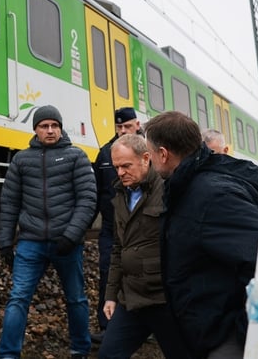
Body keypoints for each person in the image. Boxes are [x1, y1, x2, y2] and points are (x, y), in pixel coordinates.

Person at [143, 111, 258, 358]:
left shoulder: (211, 195)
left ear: (163, 154)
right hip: (210, 331)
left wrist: (249, 332)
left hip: (231, 339)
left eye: (150, 153)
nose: (150, 160)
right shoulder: (188, 187)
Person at [0, 105, 97, 359]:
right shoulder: (21, 160)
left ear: (61, 129)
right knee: (18, 297)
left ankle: (80, 349)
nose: (50, 130)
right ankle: (8, 354)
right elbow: (9, 203)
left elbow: (87, 200)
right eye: (44, 126)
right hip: (31, 242)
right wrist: (5, 243)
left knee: (75, 298)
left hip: (67, 242)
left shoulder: (77, 156)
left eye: (55, 126)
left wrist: (71, 236)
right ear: (36, 130)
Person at [97, 133, 189, 358]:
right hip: (131, 300)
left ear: (146, 158)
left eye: (126, 166)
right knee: (108, 355)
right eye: (117, 167)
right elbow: (119, 249)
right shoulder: (120, 194)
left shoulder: (169, 190)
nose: (120, 173)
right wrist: (110, 296)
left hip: (164, 301)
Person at [90, 107, 141, 343]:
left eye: (127, 126)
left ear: (137, 125)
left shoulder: (150, 151)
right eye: (118, 127)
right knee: (107, 273)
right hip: (112, 228)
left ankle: (144, 325)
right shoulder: (104, 154)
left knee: (144, 274)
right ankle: (107, 327)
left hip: (144, 228)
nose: (122, 131)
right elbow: (96, 192)